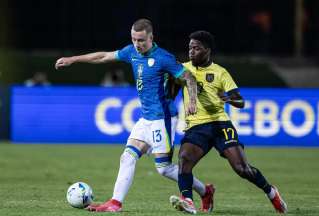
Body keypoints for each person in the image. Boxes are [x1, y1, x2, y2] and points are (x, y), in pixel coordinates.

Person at [55, 19, 214, 212]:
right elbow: (103, 56)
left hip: (162, 119)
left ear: (151, 37)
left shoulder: (163, 58)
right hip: (145, 119)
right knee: (127, 157)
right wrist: (73, 59)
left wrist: (191, 101)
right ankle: (115, 203)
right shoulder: (131, 52)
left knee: (163, 168)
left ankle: (205, 191)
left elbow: (188, 77)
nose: (137, 44)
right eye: (134, 39)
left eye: (141, 40)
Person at [169, 31, 288, 214]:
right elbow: (170, 93)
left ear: (207, 51)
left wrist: (229, 98)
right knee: (184, 160)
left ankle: (271, 192)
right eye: (190, 48)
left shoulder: (220, 73)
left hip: (220, 125)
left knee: (242, 169)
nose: (191, 52)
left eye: (196, 48)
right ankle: (188, 201)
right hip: (196, 127)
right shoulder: (183, 69)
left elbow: (240, 101)